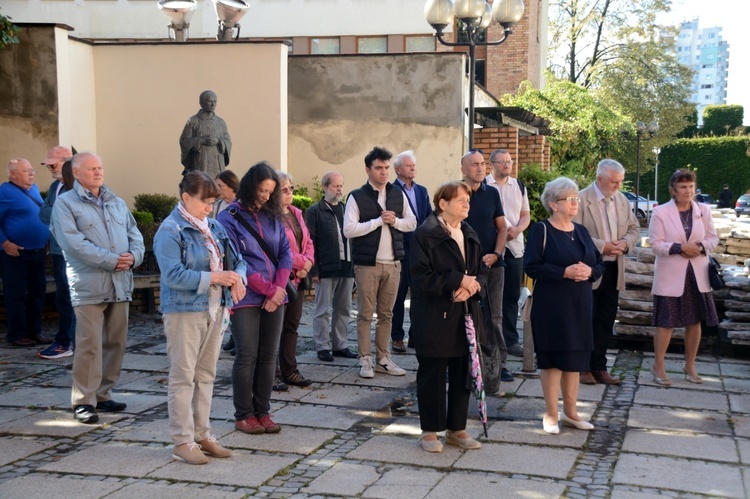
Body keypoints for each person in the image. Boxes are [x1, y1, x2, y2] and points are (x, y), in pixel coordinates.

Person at [154, 172, 246, 465]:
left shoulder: (215, 227)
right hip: (184, 310)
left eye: (212, 201)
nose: (209, 207)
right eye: (204, 201)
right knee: (183, 376)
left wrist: (238, 279)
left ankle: (203, 435)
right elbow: (173, 275)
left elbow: (239, 260)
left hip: (217, 308)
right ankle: (182, 441)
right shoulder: (170, 230)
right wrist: (217, 277)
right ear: (186, 198)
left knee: (206, 375)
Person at [51, 152, 145, 424]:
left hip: (120, 282)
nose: (98, 172)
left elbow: (134, 233)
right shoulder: (66, 204)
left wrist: (134, 257)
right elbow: (73, 244)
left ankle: (104, 394)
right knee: (89, 344)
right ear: (77, 173)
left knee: (116, 341)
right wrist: (112, 260)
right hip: (89, 284)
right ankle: (84, 400)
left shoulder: (116, 201)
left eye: (100, 167)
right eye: (91, 168)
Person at [523, 177, 603, 434]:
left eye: (576, 198)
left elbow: (600, 264)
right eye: (570, 199)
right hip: (552, 306)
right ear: (553, 204)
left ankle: (571, 412)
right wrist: (564, 272)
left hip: (580, 304)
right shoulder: (541, 230)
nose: (575, 203)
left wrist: (589, 271)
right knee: (553, 360)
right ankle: (551, 413)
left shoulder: (581, 231)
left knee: (575, 359)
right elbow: (531, 266)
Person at [410, 181, 485, 453]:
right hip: (433, 314)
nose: (467, 203)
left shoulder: (469, 232)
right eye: (461, 199)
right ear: (443, 203)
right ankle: (430, 431)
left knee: (462, 370)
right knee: (433, 371)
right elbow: (420, 278)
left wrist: (471, 288)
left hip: (464, 313)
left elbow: (481, 272)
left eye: (468, 199)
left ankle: (457, 428)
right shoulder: (425, 234)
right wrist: (458, 281)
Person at [218, 162, 291, 435]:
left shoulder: (273, 216)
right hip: (246, 296)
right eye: (262, 190)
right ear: (250, 186)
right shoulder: (230, 217)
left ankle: (263, 411)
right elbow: (236, 260)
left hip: (276, 296)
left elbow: (284, 252)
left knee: (269, 356)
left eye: (270, 191)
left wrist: (279, 288)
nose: (265, 195)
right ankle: (244, 415)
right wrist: (269, 289)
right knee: (247, 355)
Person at [343, 146, 417, 379]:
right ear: (368, 170)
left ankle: (383, 358)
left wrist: (394, 221)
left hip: (394, 263)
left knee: (387, 314)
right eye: (378, 168)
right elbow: (349, 230)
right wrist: (377, 221)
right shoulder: (357, 196)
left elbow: (413, 223)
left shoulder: (397, 193)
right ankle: (365, 359)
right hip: (367, 265)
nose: (384, 172)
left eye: (386, 168)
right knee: (365, 314)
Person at [648, 169, 718, 387]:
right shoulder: (660, 213)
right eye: (683, 187)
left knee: (695, 320)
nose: (688, 191)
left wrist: (698, 247)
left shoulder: (704, 210)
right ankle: (658, 364)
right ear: (673, 190)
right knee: (665, 321)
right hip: (670, 275)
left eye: (691, 187)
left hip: (697, 274)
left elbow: (713, 238)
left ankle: (690, 365)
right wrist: (680, 248)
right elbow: (655, 244)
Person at [573, 159, 640, 385]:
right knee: (586, 319)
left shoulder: (621, 200)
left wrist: (625, 244)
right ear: (599, 178)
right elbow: (573, 233)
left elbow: (634, 228)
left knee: (605, 319)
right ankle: (582, 368)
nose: (617, 186)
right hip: (589, 268)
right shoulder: (580, 199)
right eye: (613, 182)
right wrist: (603, 246)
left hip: (614, 268)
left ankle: (599, 367)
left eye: (620, 182)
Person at [460, 149, 512, 384]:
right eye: (474, 165)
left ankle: (499, 364)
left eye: (482, 164)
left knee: (495, 316)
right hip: (465, 268)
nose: (480, 168)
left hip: (493, 265)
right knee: (467, 316)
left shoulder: (492, 194)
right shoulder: (456, 193)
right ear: (463, 170)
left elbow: (502, 228)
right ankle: (467, 364)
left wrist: (496, 253)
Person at [305, 171, 358, 362]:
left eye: (341, 186)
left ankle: (340, 345)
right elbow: (310, 242)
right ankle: (322, 346)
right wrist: (314, 270)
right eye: (336, 186)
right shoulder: (315, 211)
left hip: (347, 267)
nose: (339, 189)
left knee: (344, 308)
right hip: (325, 267)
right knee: (322, 309)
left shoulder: (346, 209)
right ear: (325, 187)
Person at [0, 158, 51, 347]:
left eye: (32, 170)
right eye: (26, 171)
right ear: (13, 174)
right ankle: (17, 334)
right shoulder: (4, 191)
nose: (32, 173)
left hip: (37, 252)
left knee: (37, 293)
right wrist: (5, 243)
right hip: (15, 254)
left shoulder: (34, 189)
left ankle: (34, 331)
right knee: (17, 295)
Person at [486, 149, 530, 357]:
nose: (507, 165)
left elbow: (525, 215)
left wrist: (518, 229)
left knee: (511, 295)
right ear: (492, 164)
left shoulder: (518, 186)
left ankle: (511, 340)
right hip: (491, 247)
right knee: (489, 296)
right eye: (502, 162)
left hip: (514, 246)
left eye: (509, 162)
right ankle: (489, 339)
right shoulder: (483, 185)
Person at [275, 171, 315, 389]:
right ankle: (271, 372)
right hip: (281, 279)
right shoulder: (270, 216)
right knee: (275, 329)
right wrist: (301, 264)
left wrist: (307, 263)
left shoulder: (296, 213)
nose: (290, 192)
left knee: (291, 326)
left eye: (291, 188)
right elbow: (280, 248)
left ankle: (290, 369)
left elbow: (308, 241)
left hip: (298, 279)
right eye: (284, 189)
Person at [390, 150, 431, 353]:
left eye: (414, 165)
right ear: (398, 169)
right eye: (408, 165)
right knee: (398, 297)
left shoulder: (422, 191)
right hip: (400, 250)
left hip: (421, 252)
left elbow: (429, 218)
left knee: (419, 295)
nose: (413, 168)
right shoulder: (391, 191)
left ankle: (416, 335)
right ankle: (397, 337)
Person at [38, 146, 77, 359]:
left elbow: (76, 214)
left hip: (71, 251)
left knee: (70, 297)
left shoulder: (76, 187)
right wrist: (61, 211)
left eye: (53, 164)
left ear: (67, 163)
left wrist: (59, 210)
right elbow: (43, 214)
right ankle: (66, 340)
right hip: (56, 249)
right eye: (48, 165)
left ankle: (66, 342)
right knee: (63, 297)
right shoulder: (55, 187)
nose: (50, 168)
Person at [179, 90, 232, 180]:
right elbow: (184, 141)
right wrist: (200, 141)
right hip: (200, 162)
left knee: (217, 187)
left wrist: (218, 141)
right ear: (202, 103)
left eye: (215, 102)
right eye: (209, 101)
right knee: (200, 186)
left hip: (217, 163)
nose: (213, 104)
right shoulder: (193, 121)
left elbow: (228, 141)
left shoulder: (221, 122)